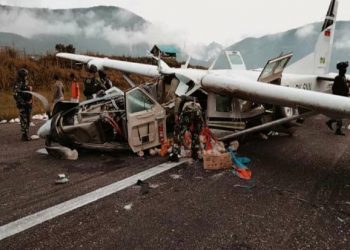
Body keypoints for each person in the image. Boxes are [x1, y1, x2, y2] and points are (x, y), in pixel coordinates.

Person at [326, 61, 349, 135]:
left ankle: (333, 125)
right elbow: (335, 89)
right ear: (341, 70)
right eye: (344, 69)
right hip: (339, 98)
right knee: (340, 114)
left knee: (340, 114)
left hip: (342, 97)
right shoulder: (338, 78)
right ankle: (333, 125)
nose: (345, 70)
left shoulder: (343, 77)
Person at [12, 68, 33, 141]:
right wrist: (23, 103)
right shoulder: (18, 84)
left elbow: (28, 92)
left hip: (29, 104)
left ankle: (26, 133)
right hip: (23, 105)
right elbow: (16, 94)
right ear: (22, 76)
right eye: (25, 75)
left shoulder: (26, 82)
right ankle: (24, 135)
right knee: (24, 119)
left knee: (28, 119)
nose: (26, 77)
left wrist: (30, 90)